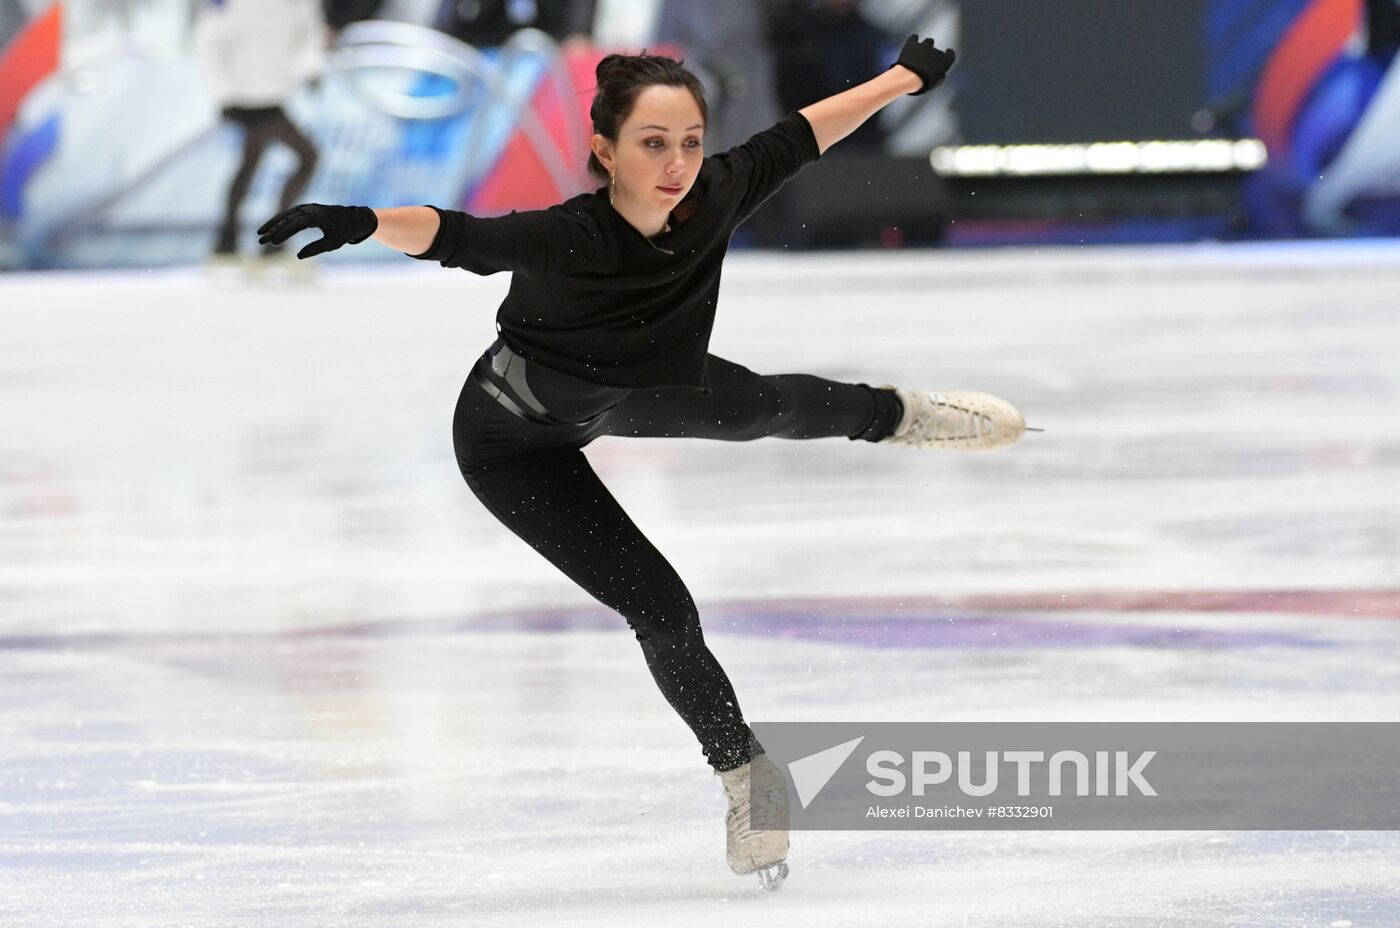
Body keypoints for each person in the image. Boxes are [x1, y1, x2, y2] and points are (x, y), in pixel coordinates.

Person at [256, 35, 1026, 890]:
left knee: (765, 407)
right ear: (606, 151)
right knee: (663, 609)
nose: (677, 164)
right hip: (512, 442)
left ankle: (902, 416)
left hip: (637, 389)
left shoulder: (718, 191)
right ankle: (748, 778)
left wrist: (903, 78)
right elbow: (457, 235)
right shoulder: (569, 236)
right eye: (653, 143)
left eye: (690, 141)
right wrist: (366, 222)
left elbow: (804, 134)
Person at [196, 0, 327, 271]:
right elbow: (212, 42)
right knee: (307, 157)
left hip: (270, 93)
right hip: (246, 98)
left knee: (251, 164)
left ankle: (229, 245)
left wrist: (310, 67)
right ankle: (268, 244)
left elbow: (307, 30)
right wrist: (223, 92)